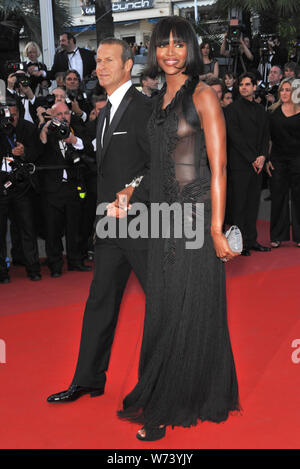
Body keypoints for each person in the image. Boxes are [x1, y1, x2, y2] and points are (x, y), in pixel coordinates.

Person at [114, 16, 240, 441]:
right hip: (162, 219)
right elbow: (158, 164)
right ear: (154, 51)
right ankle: (177, 388)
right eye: (163, 45)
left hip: (195, 216)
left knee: (186, 307)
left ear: (192, 49)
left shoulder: (203, 95)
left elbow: (218, 166)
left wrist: (218, 228)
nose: (170, 52)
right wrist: (133, 189)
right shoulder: (156, 100)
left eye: (178, 45)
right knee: (164, 307)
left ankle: (169, 405)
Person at [46, 38, 152, 403]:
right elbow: (103, 167)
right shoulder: (104, 112)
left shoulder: (146, 108)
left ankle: (153, 384)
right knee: (99, 301)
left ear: (128, 66)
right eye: (99, 60)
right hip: (109, 223)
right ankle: (88, 378)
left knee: (160, 302)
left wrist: (133, 190)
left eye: (109, 60)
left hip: (143, 221)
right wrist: (78, 145)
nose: (101, 66)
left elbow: (158, 165)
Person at [38, 101, 91, 277]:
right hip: (52, 190)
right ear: (53, 117)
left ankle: (75, 261)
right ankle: (55, 265)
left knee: (74, 228)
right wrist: (45, 130)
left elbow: (88, 148)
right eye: (59, 115)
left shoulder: (76, 132)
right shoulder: (47, 133)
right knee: (53, 230)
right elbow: (38, 150)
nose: (63, 117)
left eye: (66, 114)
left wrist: (73, 139)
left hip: (73, 188)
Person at [224, 72, 271, 256]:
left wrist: (263, 157)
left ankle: (252, 241)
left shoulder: (261, 110)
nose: (244, 87)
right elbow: (235, 138)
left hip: (257, 165)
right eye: (241, 84)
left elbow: (265, 137)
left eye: (247, 84)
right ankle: (238, 243)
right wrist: (253, 158)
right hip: (240, 165)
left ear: (254, 87)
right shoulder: (232, 110)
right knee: (239, 205)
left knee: (253, 204)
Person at [0, 103, 42, 283]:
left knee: (27, 228)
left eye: (14, 115)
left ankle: (33, 268)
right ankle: (2, 272)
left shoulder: (28, 128)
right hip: (0, 188)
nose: (12, 120)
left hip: (22, 187)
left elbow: (38, 152)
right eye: (8, 116)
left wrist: (24, 153)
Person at [266, 78, 300, 248]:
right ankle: (277, 236)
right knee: (279, 198)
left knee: (298, 198)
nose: (285, 93)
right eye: (282, 90)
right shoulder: (273, 113)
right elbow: (269, 140)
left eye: (288, 90)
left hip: (298, 160)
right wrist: (268, 159)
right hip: (278, 161)